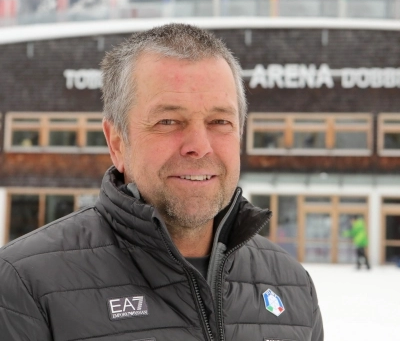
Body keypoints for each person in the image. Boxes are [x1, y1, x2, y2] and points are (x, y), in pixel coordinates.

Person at [0, 23, 323, 341]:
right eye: (168, 121)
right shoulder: (24, 284)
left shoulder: (290, 283)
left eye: (219, 121)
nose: (199, 146)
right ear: (117, 143)